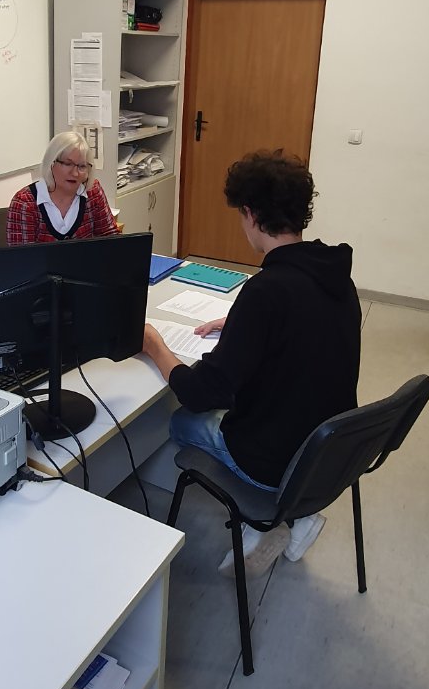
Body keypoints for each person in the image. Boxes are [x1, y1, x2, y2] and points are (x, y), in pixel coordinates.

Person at [142, 151, 361, 575]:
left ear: (250, 214)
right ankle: (299, 517)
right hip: (327, 455)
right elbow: (306, 329)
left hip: (275, 461)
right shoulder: (335, 275)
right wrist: (243, 324)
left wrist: (154, 344)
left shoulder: (267, 291)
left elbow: (202, 393)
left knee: (179, 421)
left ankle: (260, 519)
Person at [7, 131, 118, 244]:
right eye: (67, 164)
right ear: (51, 163)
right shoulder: (24, 203)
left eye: (82, 166)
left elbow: (111, 238)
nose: (75, 173)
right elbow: (22, 254)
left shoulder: (92, 191)